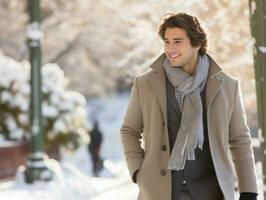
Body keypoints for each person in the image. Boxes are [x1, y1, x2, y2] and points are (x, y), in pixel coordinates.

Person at [120, 13, 258, 200]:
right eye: (167, 42)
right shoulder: (145, 84)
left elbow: (240, 139)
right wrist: (138, 170)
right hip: (159, 192)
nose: (170, 49)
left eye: (178, 42)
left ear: (197, 43)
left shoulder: (227, 86)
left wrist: (248, 191)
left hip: (211, 192)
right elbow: (130, 130)